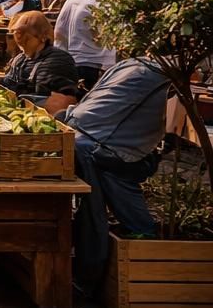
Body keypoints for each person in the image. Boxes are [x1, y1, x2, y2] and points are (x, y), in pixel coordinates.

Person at [48, 58, 170, 292]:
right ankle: (100, 261)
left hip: (104, 146)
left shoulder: (136, 67)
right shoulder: (149, 72)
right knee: (107, 196)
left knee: (102, 195)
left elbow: (93, 111)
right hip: (106, 146)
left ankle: (120, 254)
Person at [55, 0, 117, 89]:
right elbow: (110, 42)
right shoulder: (104, 5)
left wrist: (60, 61)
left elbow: (59, 32)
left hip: (69, 63)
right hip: (93, 67)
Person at [0, 11, 81, 100]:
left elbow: (43, 96)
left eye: (24, 34)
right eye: (17, 33)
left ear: (43, 36)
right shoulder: (20, 59)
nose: (19, 38)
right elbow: (6, 85)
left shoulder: (56, 60)